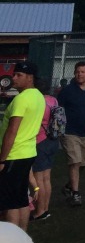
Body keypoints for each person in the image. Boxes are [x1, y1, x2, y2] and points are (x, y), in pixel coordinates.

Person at [0, 62, 45, 231]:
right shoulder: (39, 96)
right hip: (28, 153)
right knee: (21, 199)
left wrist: (2, 160)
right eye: (14, 74)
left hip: (14, 155)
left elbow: (12, 131)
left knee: (9, 203)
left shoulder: (21, 99)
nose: (14, 78)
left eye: (19, 75)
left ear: (30, 78)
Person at [55, 61, 85, 208]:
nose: (79, 75)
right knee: (74, 162)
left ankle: (69, 185)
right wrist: (58, 128)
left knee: (83, 163)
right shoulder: (67, 91)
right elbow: (58, 110)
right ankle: (76, 194)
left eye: (82, 72)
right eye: (77, 72)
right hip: (69, 132)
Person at [29, 78, 58, 223]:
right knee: (47, 178)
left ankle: (39, 211)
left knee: (38, 178)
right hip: (52, 140)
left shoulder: (39, 102)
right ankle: (45, 209)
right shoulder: (53, 100)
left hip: (40, 141)